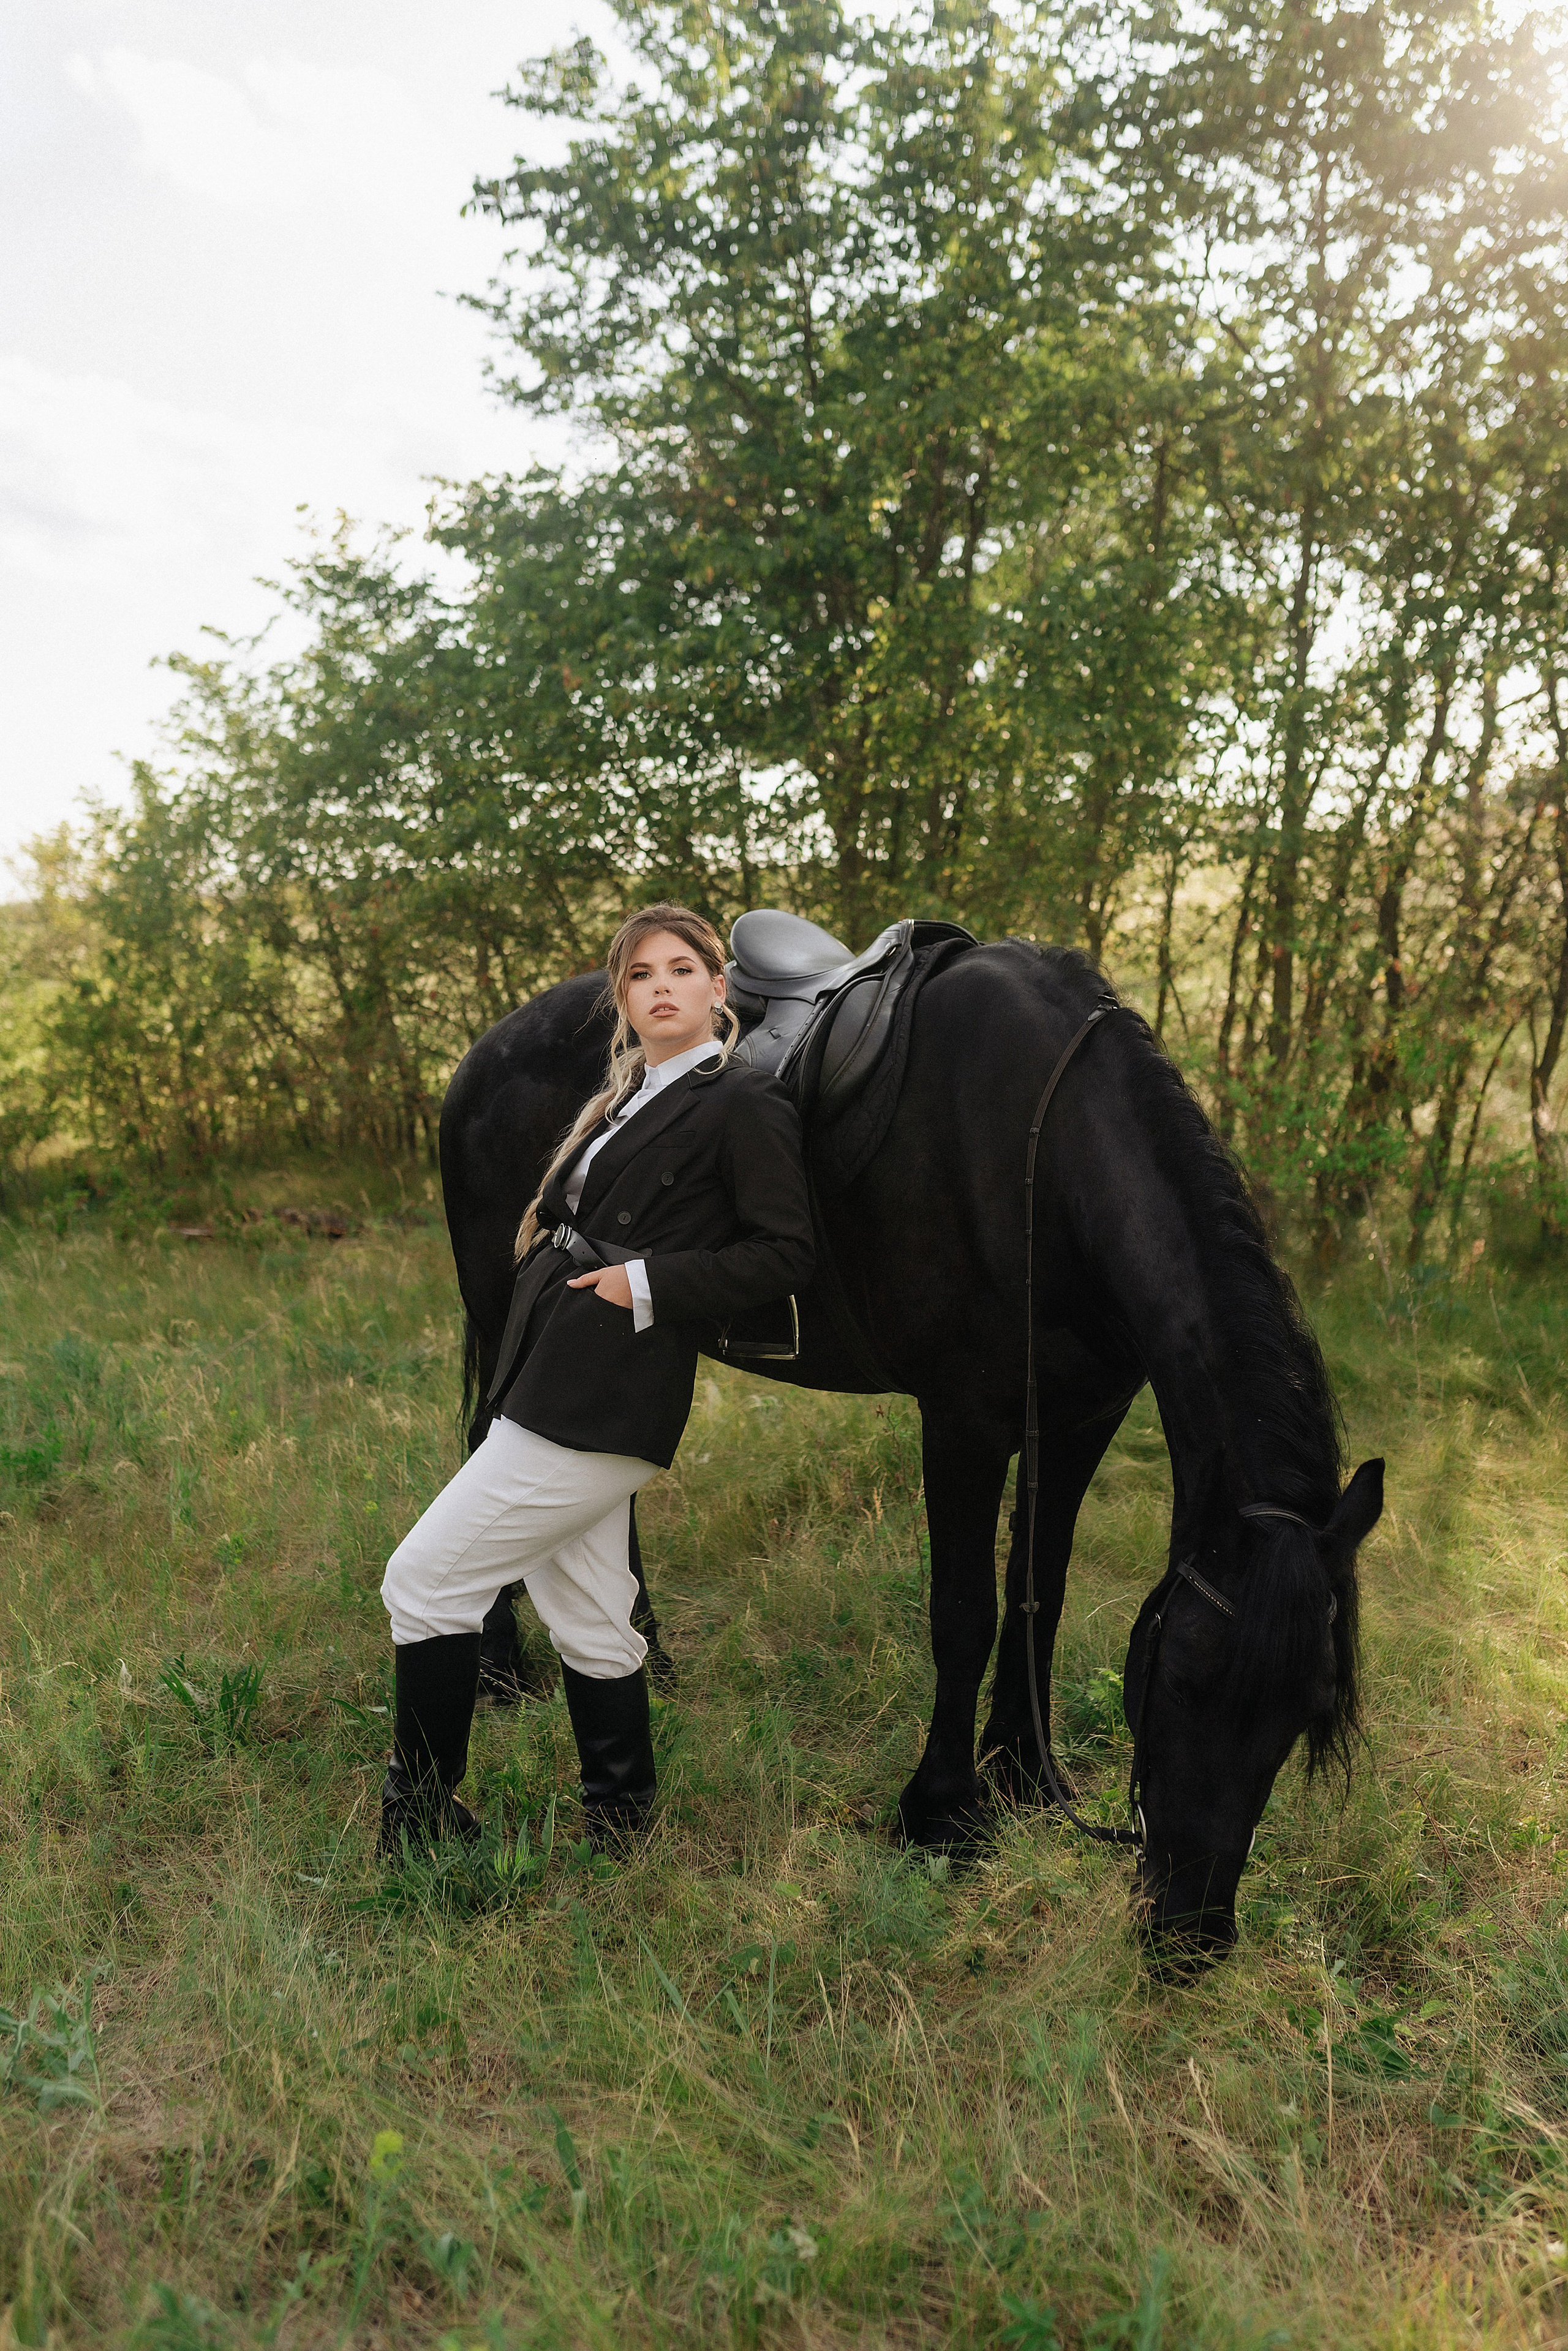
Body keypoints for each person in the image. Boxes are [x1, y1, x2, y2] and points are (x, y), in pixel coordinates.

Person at [377, 904, 815, 1855]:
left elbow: (787, 1253)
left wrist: (645, 1279)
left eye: (680, 969)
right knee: (592, 1614)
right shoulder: (628, 1095)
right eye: (640, 975)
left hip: (606, 1392)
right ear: (624, 998)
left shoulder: (739, 1100)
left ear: (719, 987)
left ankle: (422, 1826)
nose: (661, 986)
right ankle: (622, 1822)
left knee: (423, 1581)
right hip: (548, 1372)